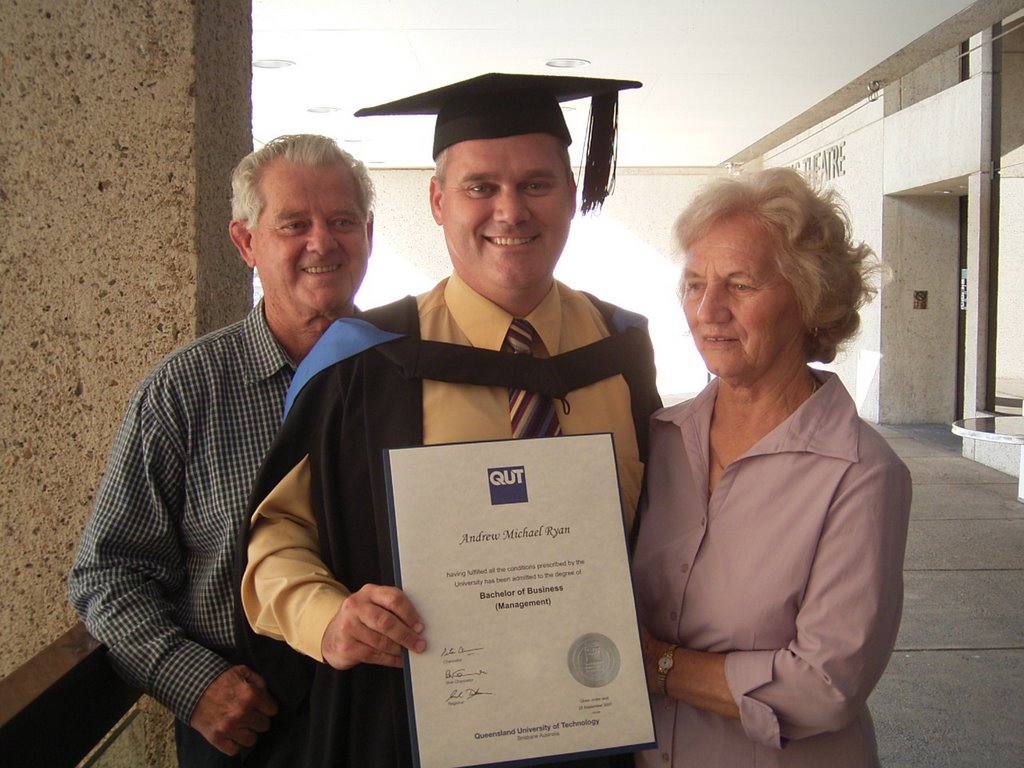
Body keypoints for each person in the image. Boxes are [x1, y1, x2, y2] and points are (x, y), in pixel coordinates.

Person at [235, 73, 662, 767]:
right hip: (418, 734)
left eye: (536, 184)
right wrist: (329, 618)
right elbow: (278, 536)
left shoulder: (621, 352)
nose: (510, 210)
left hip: (601, 727)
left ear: (573, 194)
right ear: (437, 201)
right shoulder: (365, 364)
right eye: (479, 187)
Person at [68, 134, 375, 766]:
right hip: (249, 721)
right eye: (294, 224)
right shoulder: (184, 390)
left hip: (389, 711)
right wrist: (191, 682)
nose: (323, 242)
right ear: (245, 242)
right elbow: (107, 572)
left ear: (367, 232)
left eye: (342, 221)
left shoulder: (410, 372)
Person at [632, 167, 912, 767]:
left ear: (810, 301)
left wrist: (658, 664)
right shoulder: (660, 439)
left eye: (741, 284)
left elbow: (822, 687)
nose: (709, 310)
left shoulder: (860, 473)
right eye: (695, 283)